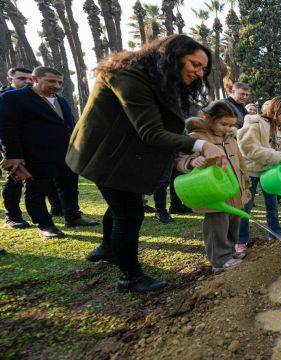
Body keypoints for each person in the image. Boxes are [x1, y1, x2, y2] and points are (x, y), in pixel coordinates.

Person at [66, 35, 228, 292]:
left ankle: (108, 248)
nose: (199, 73)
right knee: (129, 213)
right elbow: (151, 132)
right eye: (194, 65)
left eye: (203, 69)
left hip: (122, 156)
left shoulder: (157, 78)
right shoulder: (128, 75)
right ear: (172, 57)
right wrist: (201, 145)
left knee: (119, 208)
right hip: (104, 156)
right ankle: (130, 277)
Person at [0, 66, 98, 239]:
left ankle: (73, 216)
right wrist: (12, 155)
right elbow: (7, 128)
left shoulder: (62, 101)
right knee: (36, 191)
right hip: (35, 156)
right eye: (51, 81)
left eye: (60, 82)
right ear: (35, 79)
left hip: (65, 154)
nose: (57, 85)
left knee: (69, 187)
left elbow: (69, 126)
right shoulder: (13, 98)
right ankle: (45, 225)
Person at [176, 100, 249, 271]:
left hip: (234, 189)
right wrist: (192, 161)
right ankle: (219, 260)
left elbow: (240, 163)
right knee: (217, 225)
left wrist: (245, 185)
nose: (226, 128)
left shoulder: (230, 137)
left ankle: (230, 252)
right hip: (213, 192)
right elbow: (179, 159)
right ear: (208, 117)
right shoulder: (196, 138)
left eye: (230, 125)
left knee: (233, 223)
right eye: (223, 124)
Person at [236, 96, 281, 253]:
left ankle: (275, 233)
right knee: (245, 205)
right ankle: (241, 239)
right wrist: (275, 156)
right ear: (274, 110)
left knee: (272, 204)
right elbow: (247, 148)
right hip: (251, 170)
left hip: (272, 172)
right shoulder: (254, 122)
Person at [1, 67, 33, 229]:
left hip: (31, 147)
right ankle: (12, 217)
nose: (27, 82)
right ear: (10, 79)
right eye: (21, 78)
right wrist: (9, 152)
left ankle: (56, 210)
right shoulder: (4, 98)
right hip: (10, 149)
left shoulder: (35, 98)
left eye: (30, 79)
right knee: (15, 180)